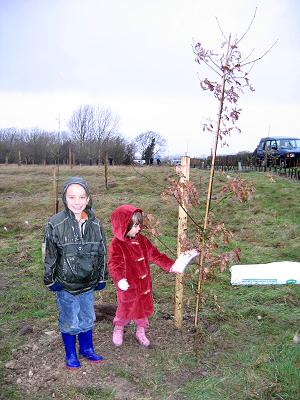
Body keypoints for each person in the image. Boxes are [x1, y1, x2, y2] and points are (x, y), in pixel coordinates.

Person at [108, 204, 198, 348]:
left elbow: (156, 255)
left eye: (139, 225)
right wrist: (120, 280)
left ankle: (140, 331)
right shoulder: (116, 244)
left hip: (143, 286)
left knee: (142, 310)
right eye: (135, 225)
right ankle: (119, 328)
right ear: (124, 225)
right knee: (125, 309)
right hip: (128, 286)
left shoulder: (142, 240)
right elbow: (114, 264)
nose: (139, 229)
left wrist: (171, 265)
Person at [43, 176, 107, 370]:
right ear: (65, 198)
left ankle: (86, 348)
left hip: (88, 282)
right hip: (66, 285)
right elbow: (49, 254)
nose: (77, 202)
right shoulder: (55, 223)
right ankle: (71, 352)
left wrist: (102, 276)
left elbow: (102, 252)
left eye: (81, 197)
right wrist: (50, 279)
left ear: (88, 199)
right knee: (70, 319)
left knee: (88, 317)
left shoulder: (96, 225)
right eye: (72, 197)